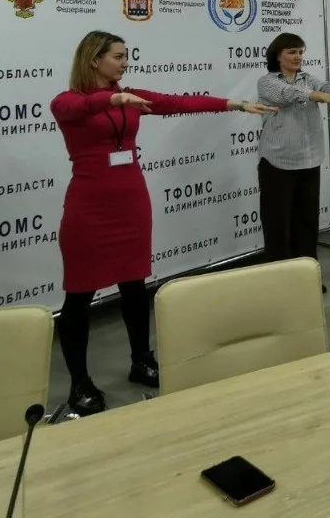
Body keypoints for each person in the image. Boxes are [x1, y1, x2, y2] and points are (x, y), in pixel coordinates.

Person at [50, 30, 275, 416]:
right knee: (79, 296)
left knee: (135, 286)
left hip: (132, 202)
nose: (125, 63)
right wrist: (113, 98)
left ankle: (141, 360)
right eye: (118, 56)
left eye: (126, 56)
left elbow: (179, 103)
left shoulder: (132, 97)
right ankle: (80, 383)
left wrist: (234, 103)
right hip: (89, 207)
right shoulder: (68, 101)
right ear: (94, 59)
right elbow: (78, 108)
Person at [256, 33, 330, 270]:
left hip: (309, 160)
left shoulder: (307, 78)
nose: (298, 57)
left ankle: (307, 277)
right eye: (291, 52)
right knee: (277, 225)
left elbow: (325, 86)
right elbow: (290, 94)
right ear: (278, 55)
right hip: (277, 163)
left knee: (306, 223)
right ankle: (280, 279)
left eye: (300, 52)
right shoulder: (267, 82)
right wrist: (324, 97)